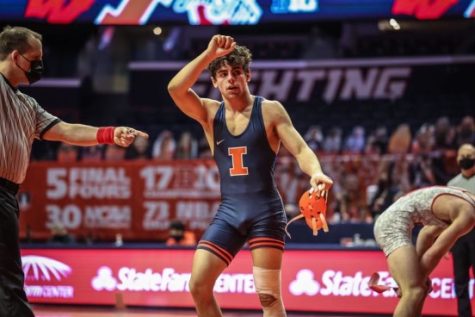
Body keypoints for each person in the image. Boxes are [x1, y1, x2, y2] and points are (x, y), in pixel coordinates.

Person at [167, 34, 333, 317]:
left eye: (236, 73)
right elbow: (175, 89)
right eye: (223, 74)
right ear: (215, 81)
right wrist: (208, 55)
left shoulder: (269, 110)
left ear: (247, 76)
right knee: (198, 285)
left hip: (265, 213)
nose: (231, 79)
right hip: (229, 212)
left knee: (268, 298)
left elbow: (301, 149)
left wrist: (316, 172)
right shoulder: (209, 112)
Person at [0, 26, 148, 317]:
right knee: (9, 284)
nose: (40, 65)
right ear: (16, 57)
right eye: (35, 58)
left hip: (7, 195)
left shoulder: (26, 104)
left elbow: (66, 130)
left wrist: (109, 134)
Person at [373, 186, 475, 317]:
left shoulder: (465, 201)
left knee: (419, 289)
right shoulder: (468, 215)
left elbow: (426, 234)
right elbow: (435, 253)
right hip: (391, 226)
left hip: (393, 220)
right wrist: (419, 276)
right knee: (414, 291)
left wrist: (418, 275)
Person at [448, 143, 475, 317]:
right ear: (458, 159)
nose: (465, 159)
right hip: (459, 237)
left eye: (469, 155)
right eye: (462, 156)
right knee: (460, 280)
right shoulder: (452, 184)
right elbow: (448, 215)